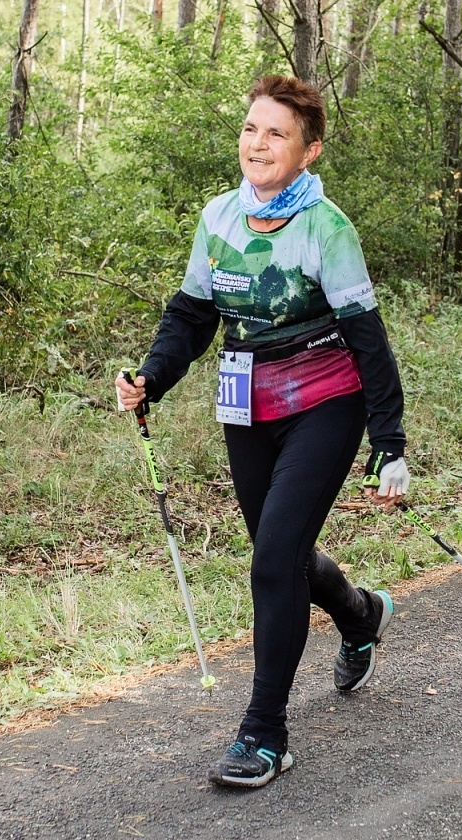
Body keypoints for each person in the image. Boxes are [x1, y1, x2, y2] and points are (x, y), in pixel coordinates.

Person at [114, 74, 410, 789]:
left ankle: (264, 733)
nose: (257, 143)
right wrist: (152, 375)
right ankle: (361, 614)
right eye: (251, 128)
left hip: (325, 401)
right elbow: (191, 314)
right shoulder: (219, 218)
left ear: (308, 150)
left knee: (273, 559)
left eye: (275, 132)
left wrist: (389, 444)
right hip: (247, 406)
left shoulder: (327, 228)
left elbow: (366, 338)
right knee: (284, 555)